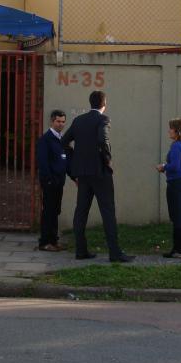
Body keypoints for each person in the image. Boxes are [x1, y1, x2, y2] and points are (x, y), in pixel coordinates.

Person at [61, 90, 135, 263]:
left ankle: (81, 251)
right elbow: (103, 140)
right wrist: (107, 159)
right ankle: (115, 253)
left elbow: (63, 142)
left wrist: (75, 162)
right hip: (100, 173)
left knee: (81, 212)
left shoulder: (78, 121)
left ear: (90, 103)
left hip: (83, 174)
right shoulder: (103, 119)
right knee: (108, 212)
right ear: (104, 104)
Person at [156, 118, 181, 258]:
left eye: (171, 128)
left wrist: (163, 167)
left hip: (176, 184)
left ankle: (179, 250)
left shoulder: (176, 146)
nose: (169, 130)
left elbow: (175, 166)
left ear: (177, 131)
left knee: (177, 216)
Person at [36, 109, 69, 252]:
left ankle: (53, 241)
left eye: (63, 122)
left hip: (59, 181)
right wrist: (49, 180)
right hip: (50, 182)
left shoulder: (61, 139)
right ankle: (44, 242)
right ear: (52, 121)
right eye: (58, 121)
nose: (61, 124)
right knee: (48, 211)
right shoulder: (46, 139)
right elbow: (43, 162)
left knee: (55, 211)